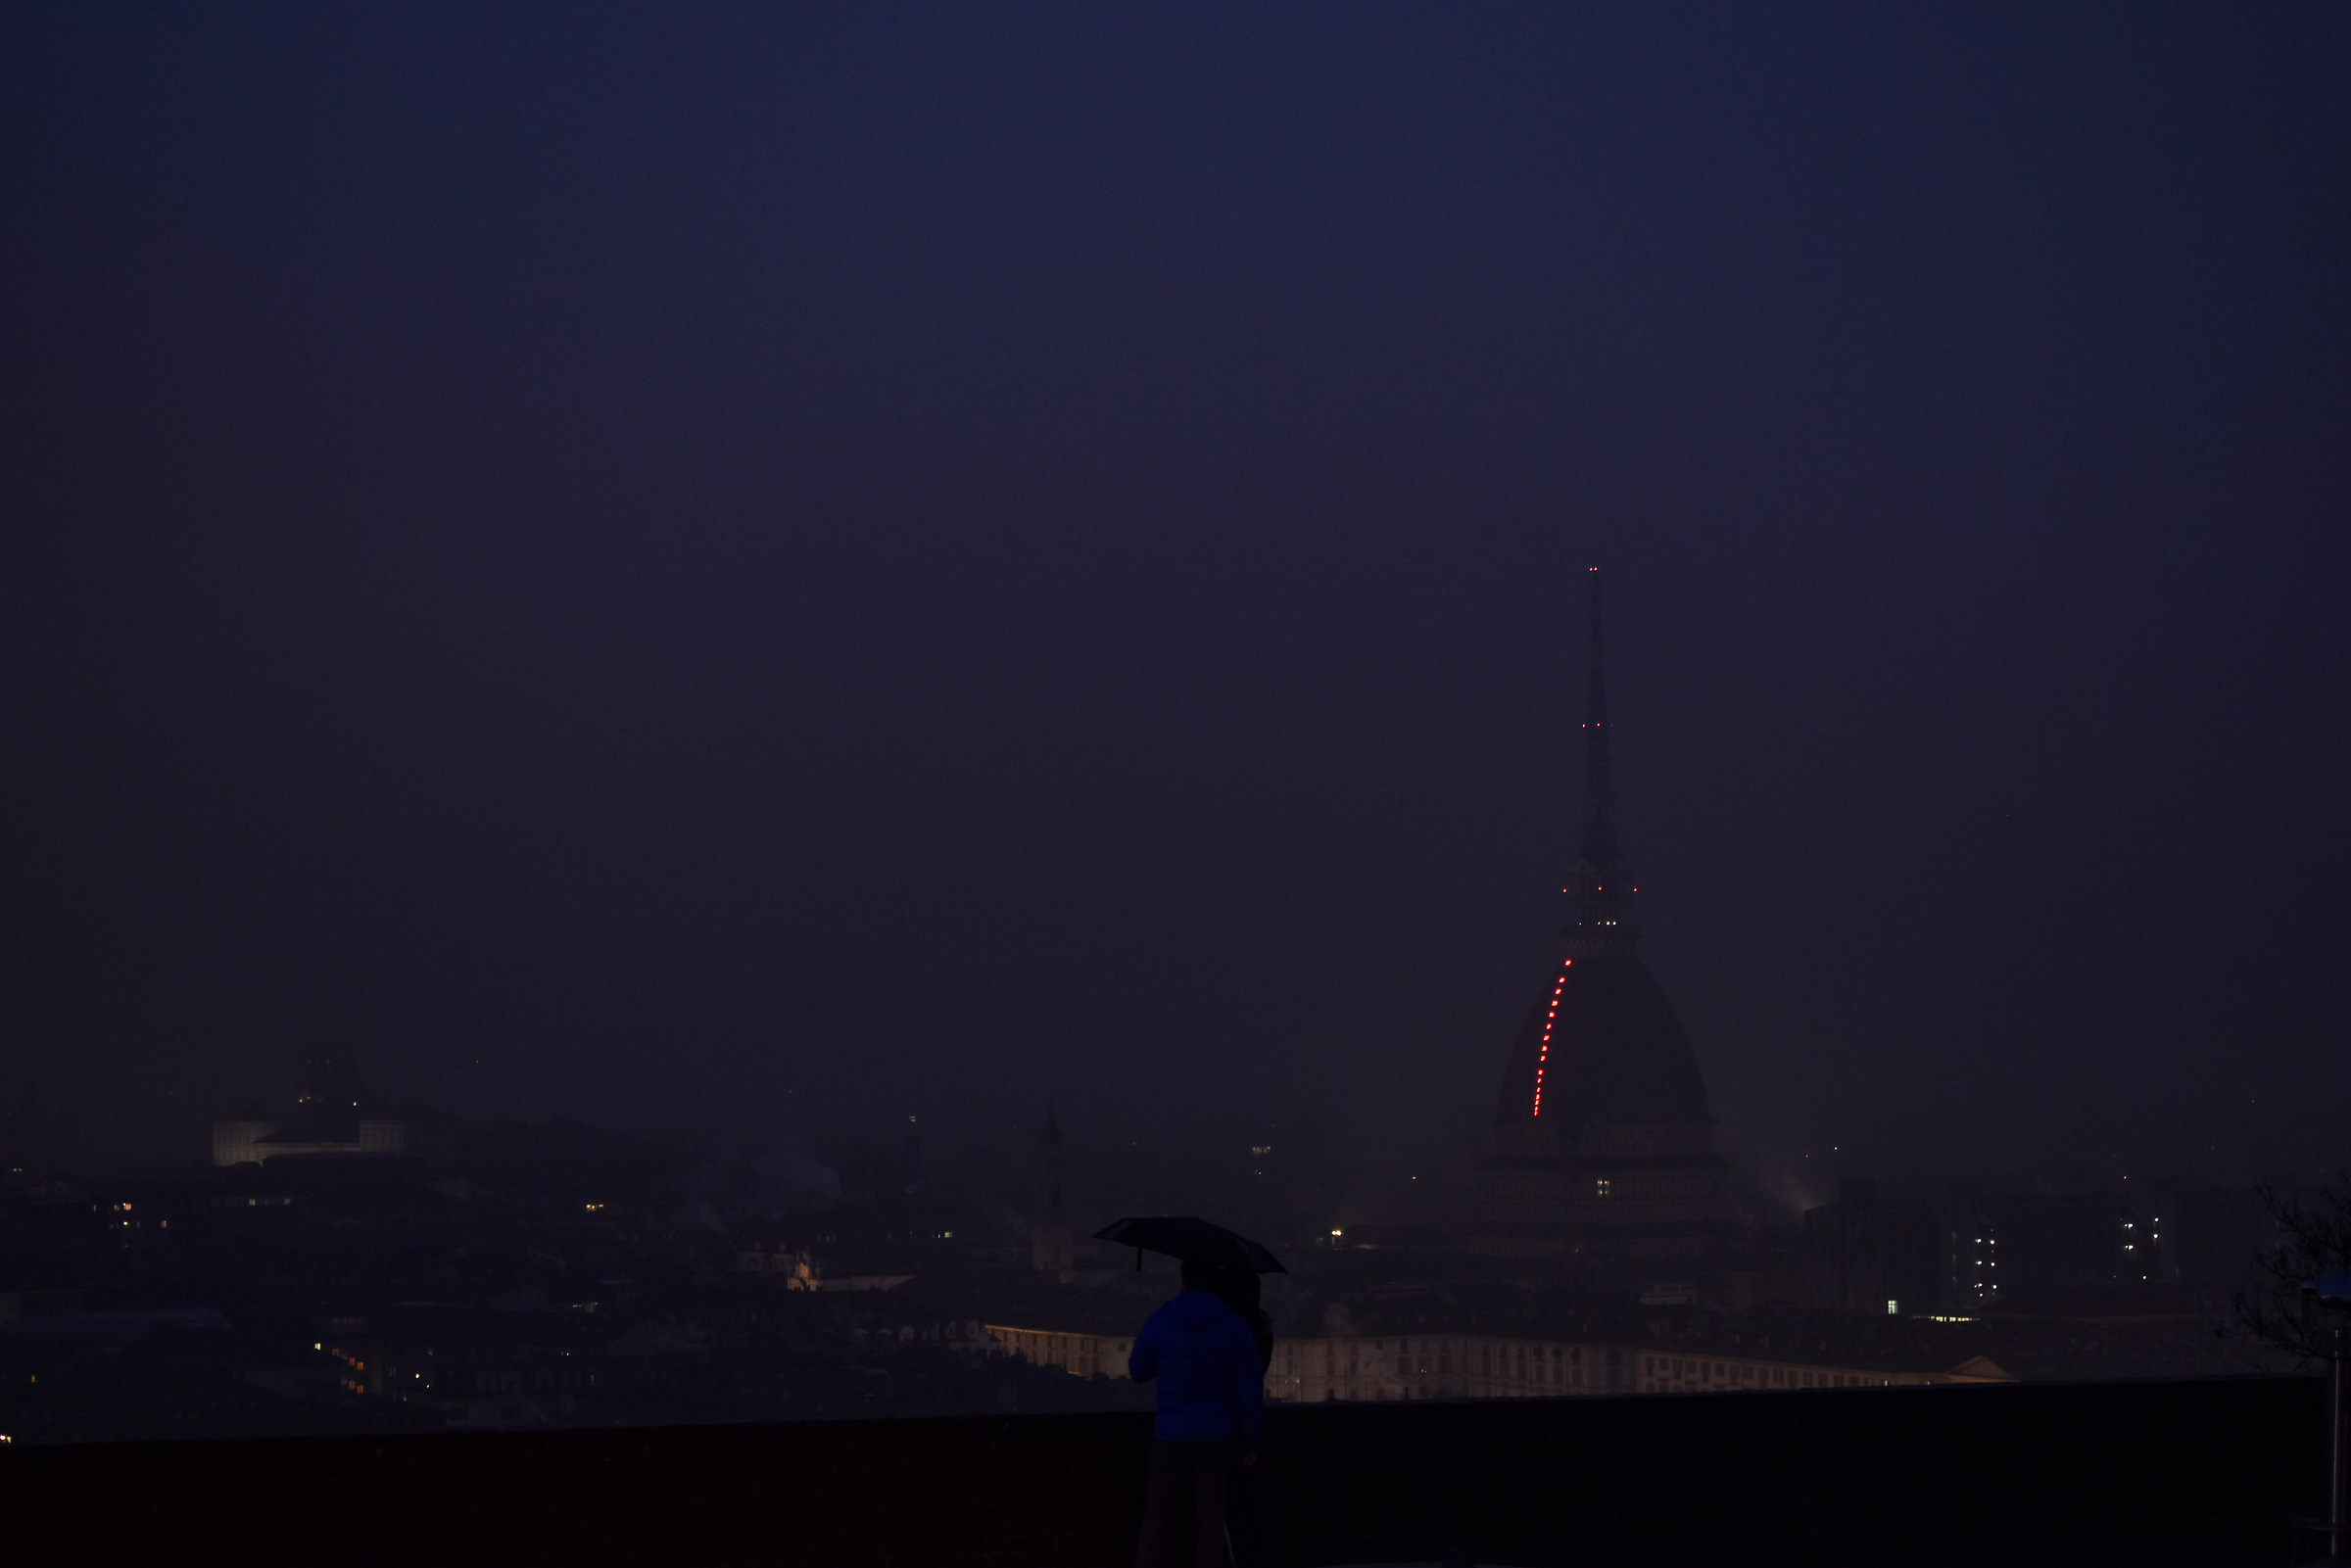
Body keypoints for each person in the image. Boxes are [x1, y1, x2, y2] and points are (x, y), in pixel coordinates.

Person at [1128, 1258, 1266, 1568]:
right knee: (1211, 1517)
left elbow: (1138, 1370)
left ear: (1183, 1279)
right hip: (1219, 1435)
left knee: (1158, 1514)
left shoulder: (1162, 1320)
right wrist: (1251, 1442)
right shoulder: (1234, 1326)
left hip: (1171, 1432)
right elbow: (1249, 1391)